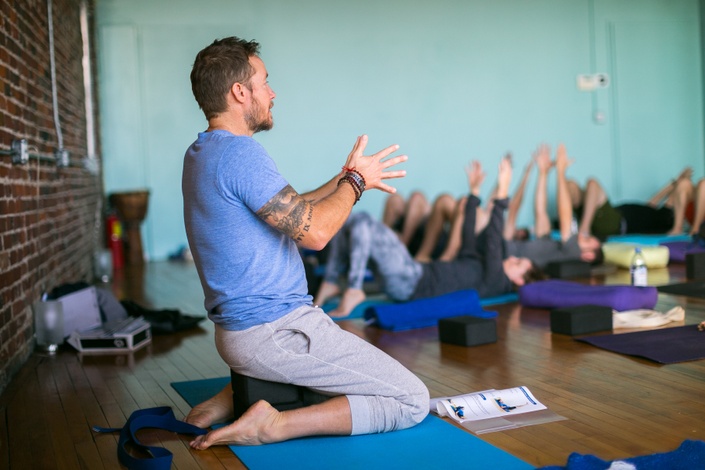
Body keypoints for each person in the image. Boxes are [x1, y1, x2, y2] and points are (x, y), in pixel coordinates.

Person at [181, 37, 429, 449]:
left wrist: (345, 175)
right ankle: (271, 424)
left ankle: (240, 392)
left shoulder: (203, 152)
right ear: (240, 92)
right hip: (276, 332)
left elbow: (294, 208)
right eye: (264, 81)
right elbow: (315, 232)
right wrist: (357, 184)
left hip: (245, 334)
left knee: (348, 385)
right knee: (410, 399)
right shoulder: (241, 154)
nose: (272, 92)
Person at [314, 155, 543, 318]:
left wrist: (502, 194)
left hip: (412, 281)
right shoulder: (481, 268)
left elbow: (493, 241)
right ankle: (332, 283)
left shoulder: (496, 281)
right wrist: (473, 193)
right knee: (351, 220)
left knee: (362, 219)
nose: (512, 258)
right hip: (411, 274)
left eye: (518, 263)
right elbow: (469, 239)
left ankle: (353, 288)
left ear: (519, 280)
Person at [574, 167, 697, 240]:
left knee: (592, 183)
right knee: (572, 186)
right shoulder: (656, 213)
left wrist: (678, 182)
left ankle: (583, 230)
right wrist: (675, 182)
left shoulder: (665, 217)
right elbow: (652, 202)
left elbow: (673, 198)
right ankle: (576, 227)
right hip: (611, 216)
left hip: (615, 222)